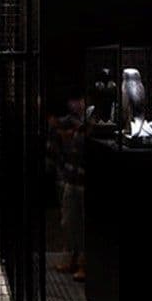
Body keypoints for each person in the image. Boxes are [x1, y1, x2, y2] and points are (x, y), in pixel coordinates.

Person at [47, 94, 87, 281]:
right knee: (69, 221)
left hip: (83, 179)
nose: (74, 103)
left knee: (83, 222)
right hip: (72, 177)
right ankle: (72, 257)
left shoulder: (89, 118)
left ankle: (83, 262)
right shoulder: (72, 121)